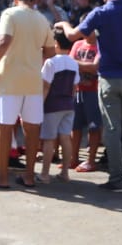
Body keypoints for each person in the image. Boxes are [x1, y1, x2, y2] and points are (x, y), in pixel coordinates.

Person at [57, 0, 122, 193]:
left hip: (109, 78)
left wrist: (64, 24)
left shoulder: (100, 13)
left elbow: (72, 36)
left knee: (112, 129)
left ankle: (116, 179)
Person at [0, 0, 53, 189]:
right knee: (32, 129)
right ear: (34, 0)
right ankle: (29, 176)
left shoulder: (10, 14)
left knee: (3, 127)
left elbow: (4, 40)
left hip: (10, 80)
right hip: (33, 81)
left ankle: (2, 177)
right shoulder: (42, 19)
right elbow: (50, 52)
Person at [38, 30, 79, 184]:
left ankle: (44, 174)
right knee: (65, 137)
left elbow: (46, 87)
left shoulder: (51, 62)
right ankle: (65, 173)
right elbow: (74, 86)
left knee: (49, 139)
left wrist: (40, 105)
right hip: (68, 105)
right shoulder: (74, 63)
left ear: (56, 43)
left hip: (52, 105)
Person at [68, 29, 102, 173]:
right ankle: (73, 158)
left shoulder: (100, 45)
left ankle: (91, 160)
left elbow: (95, 68)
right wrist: (84, 66)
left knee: (94, 127)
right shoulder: (77, 44)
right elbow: (70, 65)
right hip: (77, 91)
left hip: (94, 92)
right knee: (74, 127)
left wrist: (76, 63)